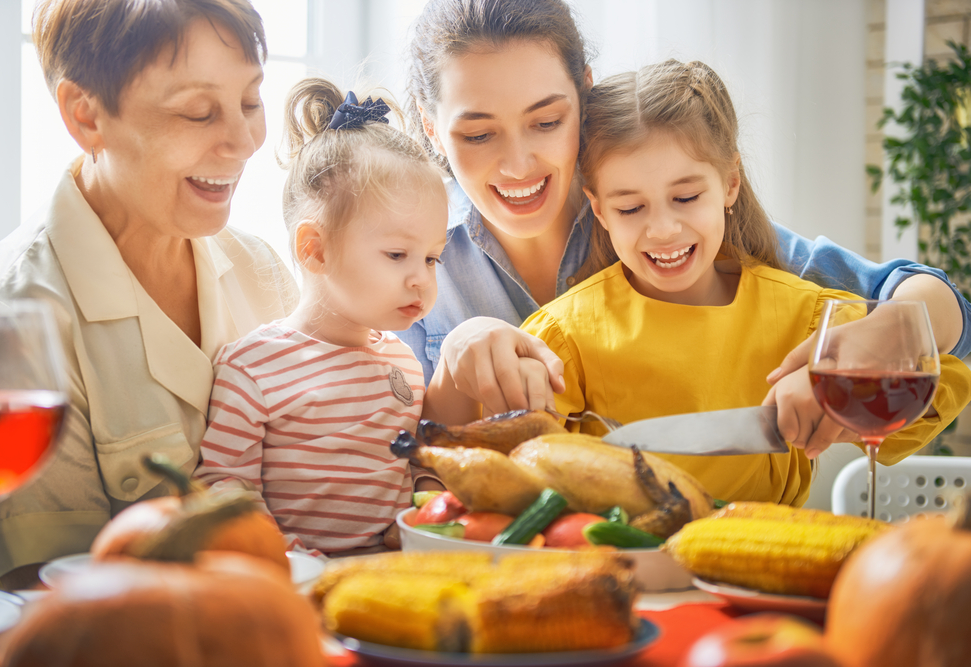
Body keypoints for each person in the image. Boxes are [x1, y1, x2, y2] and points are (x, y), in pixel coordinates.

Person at [402, 0, 971, 455]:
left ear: (586, 94)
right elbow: (390, 454)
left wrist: (890, 330)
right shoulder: (409, 255)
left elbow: (947, 314)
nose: (519, 164)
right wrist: (456, 357)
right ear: (430, 127)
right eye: (478, 135)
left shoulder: (668, 219)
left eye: (547, 120)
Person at [518, 61, 971, 506]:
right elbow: (522, 462)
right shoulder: (565, 336)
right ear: (599, 210)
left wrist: (846, 407)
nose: (662, 230)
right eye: (630, 208)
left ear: (730, 183)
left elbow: (938, 376)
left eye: (686, 197)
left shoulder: (803, 314)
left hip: (769, 567)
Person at [0, 0, 297, 586]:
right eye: (198, 112)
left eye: (251, 101)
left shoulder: (262, 269)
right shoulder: (16, 314)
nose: (244, 140)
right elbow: (43, 587)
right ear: (86, 116)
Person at [193, 80, 447, 556]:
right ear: (315, 249)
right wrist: (288, 557)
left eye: (432, 259)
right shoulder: (252, 367)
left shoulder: (406, 365)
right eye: (397, 254)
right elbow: (224, 486)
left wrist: (421, 513)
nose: (421, 280)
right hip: (292, 586)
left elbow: (410, 472)